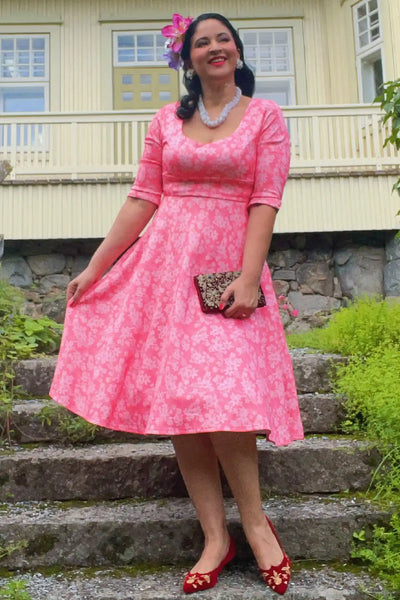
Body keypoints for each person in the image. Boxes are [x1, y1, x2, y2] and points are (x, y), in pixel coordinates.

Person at [50, 12, 304, 596]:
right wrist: (96, 266)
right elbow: (143, 197)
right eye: (201, 42)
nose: (213, 48)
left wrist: (247, 276)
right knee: (184, 399)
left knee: (227, 397)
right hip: (164, 270)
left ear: (238, 51)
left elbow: (265, 200)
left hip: (225, 272)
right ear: (187, 59)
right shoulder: (167, 120)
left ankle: (259, 527)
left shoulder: (265, 116)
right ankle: (216, 538)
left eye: (223, 39)